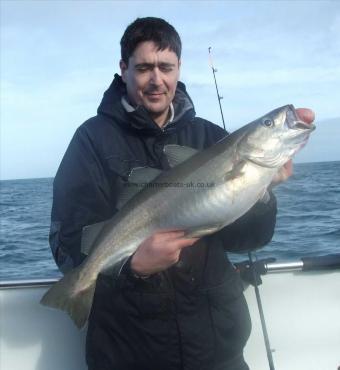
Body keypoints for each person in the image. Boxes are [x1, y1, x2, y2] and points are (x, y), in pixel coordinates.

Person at [49, 17, 315, 370]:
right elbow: (69, 242)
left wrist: (263, 192)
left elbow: (248, 239)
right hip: (132, 352)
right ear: (123, 69)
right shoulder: (92, 141)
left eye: (165, 67)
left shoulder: (210, 137)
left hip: (216, 349)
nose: (156, 80)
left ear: (179, 68)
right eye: (144, 68)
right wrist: (133, 267)